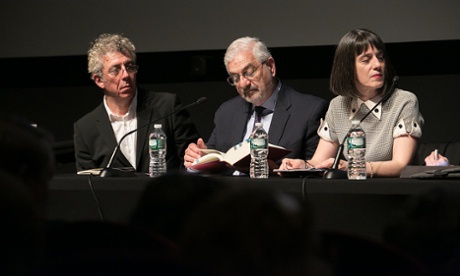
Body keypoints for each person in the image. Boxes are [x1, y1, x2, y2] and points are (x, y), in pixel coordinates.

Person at [279, 28, 424, 177]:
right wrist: (303, 165)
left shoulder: (404, 101)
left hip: (394, 191)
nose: (377, 65)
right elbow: (319, 161)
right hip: (353, 189)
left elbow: (401, 165)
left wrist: (354, 167)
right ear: (348, 69)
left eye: (380, 57)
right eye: (366, 60)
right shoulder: (338, 105)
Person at [183, 36, 328, 172]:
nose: (243, 83)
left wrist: (272, 170)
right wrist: (198, 156)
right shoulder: (226, 112)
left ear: (270, 66)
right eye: (235, 78)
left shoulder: (308, 110)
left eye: (249, 72)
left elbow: (314, 173)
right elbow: (215, 157)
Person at [74, 33, 199, 173]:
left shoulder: (167, 106)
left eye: (130, 66)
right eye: (115, 70)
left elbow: (192, 161)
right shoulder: (85, 128)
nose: (126, 75)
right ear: (99, 80)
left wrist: (197, 159)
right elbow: (87, 184)